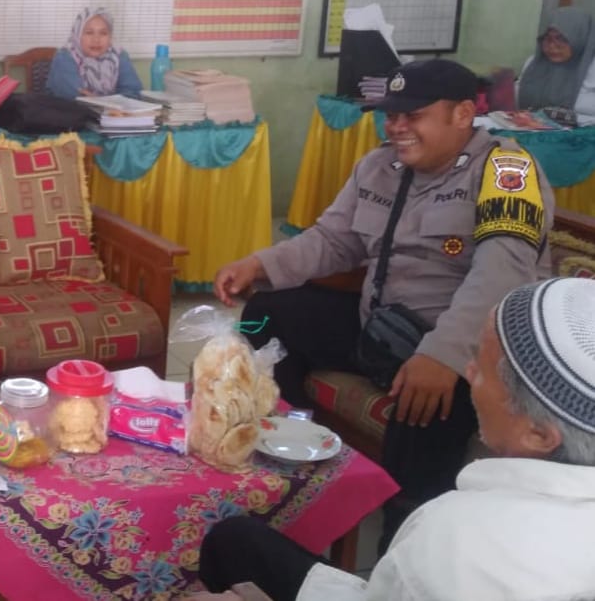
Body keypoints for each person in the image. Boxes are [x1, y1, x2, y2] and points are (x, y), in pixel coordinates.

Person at [212, 59, 555, 549]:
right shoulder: (379, 166)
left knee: (428, 402)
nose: (397, 127)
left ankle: (403, 539)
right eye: (392, 115)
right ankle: (285, 450)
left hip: (453, 346)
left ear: (462, 114)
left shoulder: (506, 171)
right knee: (266, 314)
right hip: (378, 327)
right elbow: (333, 240)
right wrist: (258, 264)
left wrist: (441, 356)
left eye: (414, 115)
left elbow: (500, 276)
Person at [195, 277, 595, 601]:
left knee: (231, 541)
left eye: (483, 369)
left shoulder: (455, 537)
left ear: (538, 434)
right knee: (236, 539)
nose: (468, 370)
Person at [517, 6, 595, 125]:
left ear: (580, 38)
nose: (552, 46)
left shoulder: (591, 69)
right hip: (530, 129)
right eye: (547, 38)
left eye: (562, 39)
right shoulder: (534, 64)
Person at [46, 6, 143, 99]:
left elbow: (133, 91)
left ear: (110, 36)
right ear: (78, 35)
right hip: (70, 110)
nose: (96, 40)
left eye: (103, 33)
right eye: (89, 33)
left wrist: (113, 103)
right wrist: (109, 102)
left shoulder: (118, 56)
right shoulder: (65, 57)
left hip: (113, 110)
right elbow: (75, 96)